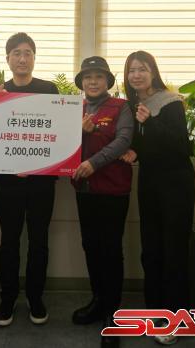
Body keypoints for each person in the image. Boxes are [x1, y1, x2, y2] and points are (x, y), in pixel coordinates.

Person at [122, 51, 195, 346]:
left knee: (174, 249)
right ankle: (154, 310)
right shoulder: (132, 105)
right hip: (149, 182)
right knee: (151, 248)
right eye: (132, 70)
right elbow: (144, 144)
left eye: (143, 69)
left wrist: (151, 121)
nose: (137, 75)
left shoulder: (170, 102)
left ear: (153, 72)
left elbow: (181, 146)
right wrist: (134, 151)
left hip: (176, 183)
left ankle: (176, 319)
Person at [0, 32, 59, 327]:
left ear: (34, 58)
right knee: (9, 241)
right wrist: (6, 165)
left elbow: (55, 134)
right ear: (7, 58)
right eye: (16, 53)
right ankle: (7, 297)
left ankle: (35, 297)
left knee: (39, 241)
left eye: (28, 52)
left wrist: (36, 164)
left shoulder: (49, 89)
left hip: (42, 182)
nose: (22, 58)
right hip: (9, 183)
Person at [71, 56, 134, 348]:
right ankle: (98, 301)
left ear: (107, 81)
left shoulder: (121, 107)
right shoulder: (74, 108)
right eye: (88, 77)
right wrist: (79, 132)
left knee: (110, 250)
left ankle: (113, 314)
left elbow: (123, 141)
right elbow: (62, 144)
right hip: (84, 189)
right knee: (91, 246)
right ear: (81, 82)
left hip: (113, 190)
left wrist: (93, 163)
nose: (93, 81)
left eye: (98, 76)